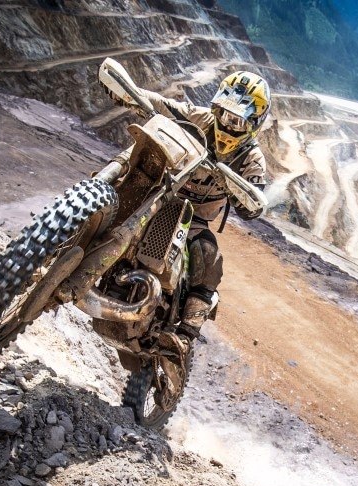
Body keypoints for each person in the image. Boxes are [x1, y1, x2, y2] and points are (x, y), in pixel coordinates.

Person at [101, 62, 272, 339]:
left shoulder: (252, 158)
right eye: (224, 114)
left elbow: (254, 197)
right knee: (120, 193)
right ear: (216, 108)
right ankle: (64, 237)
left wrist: (246, 197)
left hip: (195, 219)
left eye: (238, 121)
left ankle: (186, 333)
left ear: (254, 123)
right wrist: (130, 93)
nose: (228, 124)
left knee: (209, 257)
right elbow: (163, 105)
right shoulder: (199, 118)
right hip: (159, 193)